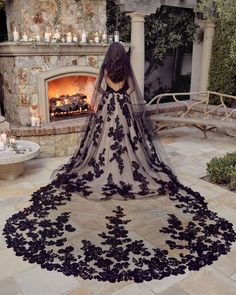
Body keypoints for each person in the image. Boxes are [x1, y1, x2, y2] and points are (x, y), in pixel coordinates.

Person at [3, 43, 236, 283]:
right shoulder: (125, 72)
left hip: (107, 111)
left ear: (108, 58)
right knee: (127, 141)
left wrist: (108, 98)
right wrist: (121, 95)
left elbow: (99, 92)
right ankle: (126, 167)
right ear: (122, 57)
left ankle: (106, 168)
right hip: (123, 110)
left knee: (102, 142)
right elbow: (132, 91)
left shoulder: (105, 72)